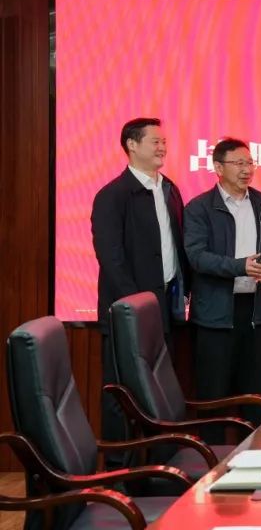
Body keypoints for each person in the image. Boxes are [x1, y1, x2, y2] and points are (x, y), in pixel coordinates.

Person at [91, 117, 188, 461]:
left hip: (164, 308)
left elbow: (178, 246)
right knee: (121, 393)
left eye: (164, 142)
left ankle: (161, 465)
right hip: (127, 311)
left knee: (159, 390)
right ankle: (119, 469)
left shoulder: (170, 189)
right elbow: (111, 258)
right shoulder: (113, 195)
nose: (163, 148)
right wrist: (136, 304)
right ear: (132, 145)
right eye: (155, 142)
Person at [184, 138, 261, 432]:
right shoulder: (199, 207)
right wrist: (240, 267)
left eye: (250, 163)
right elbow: (197, 256)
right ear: (218, 167)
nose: (246, 170)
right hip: (215, 316)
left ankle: (258, 453)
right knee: (213, 396)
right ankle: (212, 454)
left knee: (257, 396)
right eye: (239, 163)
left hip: (255, 313)